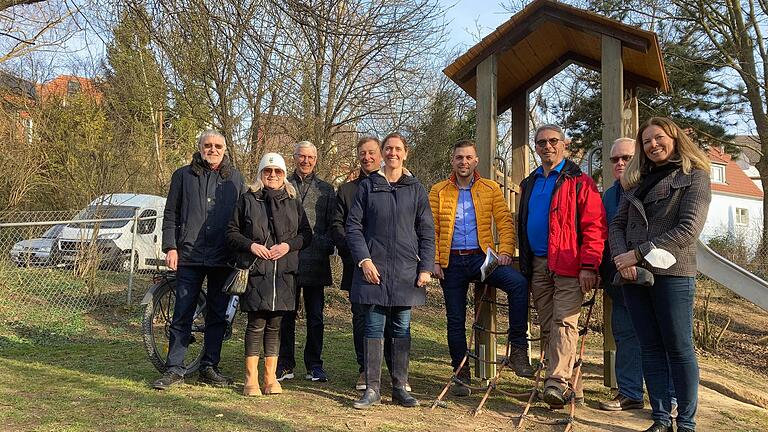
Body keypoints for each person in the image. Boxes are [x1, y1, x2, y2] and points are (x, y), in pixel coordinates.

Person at [610, 117, 711, 432]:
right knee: (649, 346)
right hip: (634, 276)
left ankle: (687, 423)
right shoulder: (636, 180)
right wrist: (621, 260)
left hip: (673, 272)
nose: (653, 145)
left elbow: (688, 228)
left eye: (659, 138)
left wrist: (637, 253)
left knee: (678, 347)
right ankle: (660, 419)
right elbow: (617, 224)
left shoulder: (695, 176)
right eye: (646, 141)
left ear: (674, 138)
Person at [429, 139, 531, 397]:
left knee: (518, 284)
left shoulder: (490, 188)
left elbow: (505, 221)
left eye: (468, 158)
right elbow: (430, 229)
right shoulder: (439, 190)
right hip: (451, 262)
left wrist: (506, 251)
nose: (464, 162)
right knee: (455, 319)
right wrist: (434, 260)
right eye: (459, 157)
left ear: (476, 161)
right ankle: (461, 373)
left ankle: (518, 348)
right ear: (452, 161)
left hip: (480, 258)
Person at [517, 124, 606, 408]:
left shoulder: (580, 181)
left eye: (553, 141)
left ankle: (555, 382)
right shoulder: (530, 182)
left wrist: (590, 265)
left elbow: (594, 226)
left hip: (570, 264)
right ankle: (573, 387)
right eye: (541, 142)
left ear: (564, 144)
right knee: (547, 326)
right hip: (539, 264)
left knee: (565, 324)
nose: (547, 147)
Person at [346, 132, 435, 409]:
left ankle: (399, 387)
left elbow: (427, 231)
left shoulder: (416, 188)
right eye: (388, 148)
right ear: (382, 153)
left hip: (407, 271)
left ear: (405, 153)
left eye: (397, 149)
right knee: (373, 327)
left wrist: (426, 267)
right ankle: (372, 389)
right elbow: (353, 227)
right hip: (374, 270)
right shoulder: (368, 186)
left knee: (401, 328)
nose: (392, 153)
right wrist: (364, 260)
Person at [153, 129, 245, 390]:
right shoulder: (183, 176)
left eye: (218, 146)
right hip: (189, 255)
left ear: (225, 149)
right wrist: (170, 247)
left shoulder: (235, 179)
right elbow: (170, 213)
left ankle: (209, 366)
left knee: (217, 315)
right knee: (182, 312)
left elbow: (243, 218)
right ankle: (174, 368)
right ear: (200, 147)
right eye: (208, 145)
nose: (213, 150)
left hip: (222, 257)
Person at [599, 138, 677, 413]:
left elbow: (665, 229)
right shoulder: (609, 196)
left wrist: (639, 258)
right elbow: (610, 232)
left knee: (663, 335)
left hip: (657, 271)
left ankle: (671, 398)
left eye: (626, 157)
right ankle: (630, 392)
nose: (620, 163)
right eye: (614, 159)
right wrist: (619, 265)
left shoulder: (657, 185)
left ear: (639, 158)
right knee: (625, 333)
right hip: (621, 275)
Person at [226, 153, 312, 396]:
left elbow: (306, 234)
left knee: (275, 325)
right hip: (257, 271)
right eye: (268, 171)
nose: (272, 175)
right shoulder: (247, 199)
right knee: (256, 324)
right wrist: (251, 245)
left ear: (284, 175)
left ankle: (270, 377)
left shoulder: (293, 201)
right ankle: (250, 379)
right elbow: (231, 232)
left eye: (278, 172)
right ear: (260, 174)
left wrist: (288, 246)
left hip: (284, 274)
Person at [329, 136, 407, 392]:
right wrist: (359, 254)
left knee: (394, 319)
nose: (367, 157)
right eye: (362, 153)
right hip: (358, 264)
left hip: (392, 266)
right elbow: (339, 226)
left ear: (381, 154)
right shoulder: (348, 190)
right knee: (362, 319)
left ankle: (395, 372)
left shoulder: (401, 185)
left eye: (372, 152)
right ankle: (365, 369)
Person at [278, 141, 336, 383]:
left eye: (310, 157)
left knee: (316, 317)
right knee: (286, 316)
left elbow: (333, 224)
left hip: (316, 260)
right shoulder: (283, 184)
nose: (306, 161)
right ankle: (285, 364)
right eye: (301, 157)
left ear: (316, 159)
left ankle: (314, 364)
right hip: (288, 260)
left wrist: (321, 244)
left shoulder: (326, 189)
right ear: (294, 158)